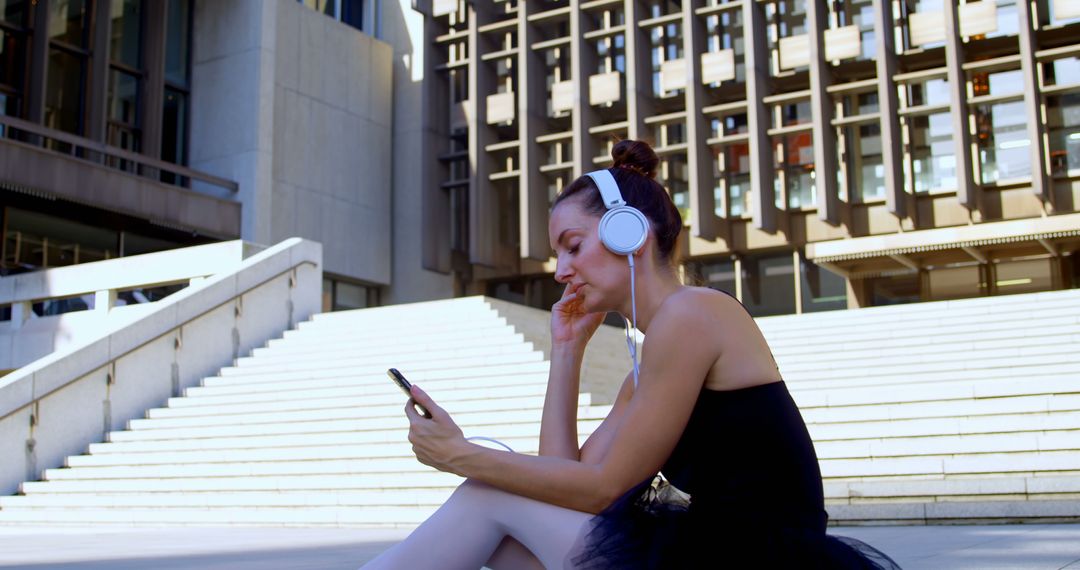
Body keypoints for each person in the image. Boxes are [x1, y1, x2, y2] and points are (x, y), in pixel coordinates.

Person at [362, 139, 900, 569]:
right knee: (497, 488)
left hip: (752, 556)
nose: (560, 270)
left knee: (488, 486)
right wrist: (567, 351)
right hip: (711, 550)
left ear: (629, 233)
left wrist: (460, 455)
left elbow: (602, 490)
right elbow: (562, 482)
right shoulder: (650, 363)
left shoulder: (695, 314)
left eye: (573, 246)